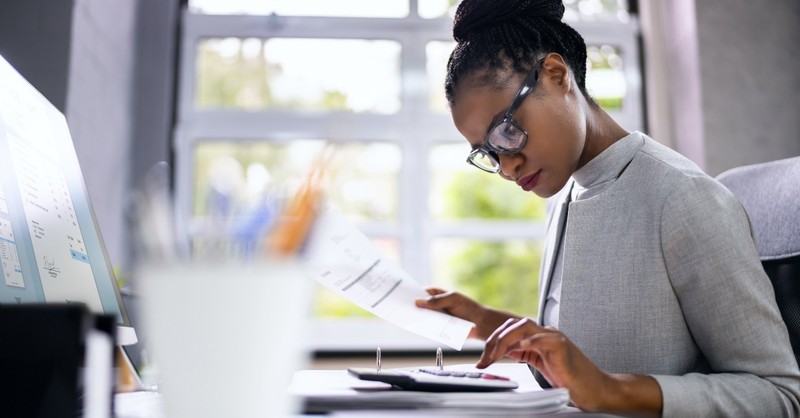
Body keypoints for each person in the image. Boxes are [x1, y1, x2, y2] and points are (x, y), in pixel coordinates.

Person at [415, 0, 800, 416]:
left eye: (507, 131)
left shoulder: (683, 199)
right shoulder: (565, 191)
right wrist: (485, 319)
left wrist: (611, 391)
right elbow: (590, 345)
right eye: (488, 153)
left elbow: (777, 394)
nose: (507, 167)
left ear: (556, 75)